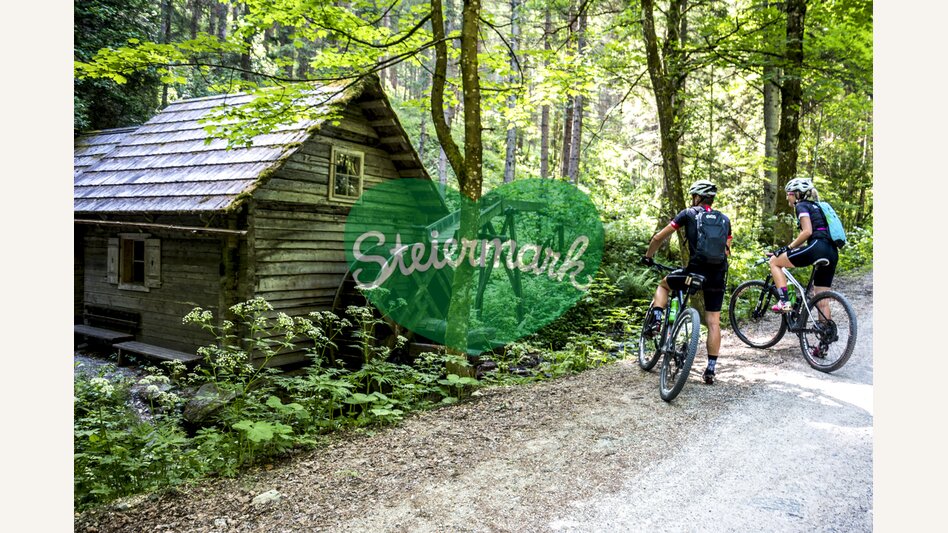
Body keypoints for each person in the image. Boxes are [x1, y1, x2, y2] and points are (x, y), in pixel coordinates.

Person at [641, 179, 732, 385]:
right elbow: (726, 250)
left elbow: (658, 238)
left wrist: (648, 256)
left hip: (695, 271)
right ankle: (710, 369)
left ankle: (656, 319)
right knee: (713, 322)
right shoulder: (724, 220)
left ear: (697, 197)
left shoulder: (688, 214)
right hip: (717, 275)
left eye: (693, 196)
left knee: (664, 284)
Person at [767, 177, 838, 313]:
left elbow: (807, 232)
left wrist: (788, 248)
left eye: (788, 194)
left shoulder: (801, 206)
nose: (787, 197)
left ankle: (784, 302)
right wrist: (786, 251)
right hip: (832, 251)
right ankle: (826, 327)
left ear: (796, 194)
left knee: (774, 262)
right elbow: (808, 237)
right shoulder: (816, 207)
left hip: (818, 248)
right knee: (822, 301)